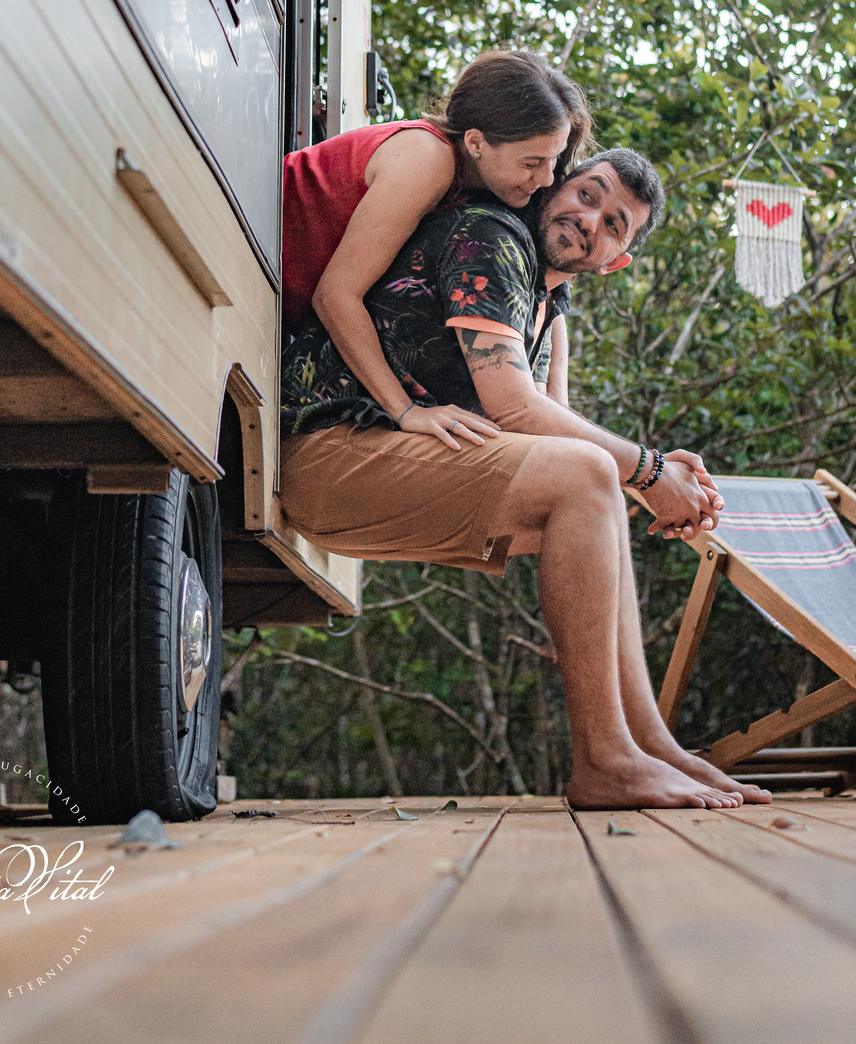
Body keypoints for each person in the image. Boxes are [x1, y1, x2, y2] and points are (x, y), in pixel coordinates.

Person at [279, 147, 770, 811]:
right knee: (594, 476)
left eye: (615, 224)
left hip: (390, 469)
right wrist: (650, 471)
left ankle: (650, 746)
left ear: (614, 261)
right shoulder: (491, 237)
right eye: (588, 194)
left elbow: (550, 433)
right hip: (330, 454)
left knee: (597, 493)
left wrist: (660, 477)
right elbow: (515, 408)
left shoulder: (549, 304)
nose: (590, 220)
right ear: (551, 188)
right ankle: (605, 758)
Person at [283, 51, 599, 451]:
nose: (547, 178)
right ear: (476, 143)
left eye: (553, 160)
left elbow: (548, 300)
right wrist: (405, 411)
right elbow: (336, 295)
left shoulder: (483, 186)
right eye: (532, 162)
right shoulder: (428, 159)